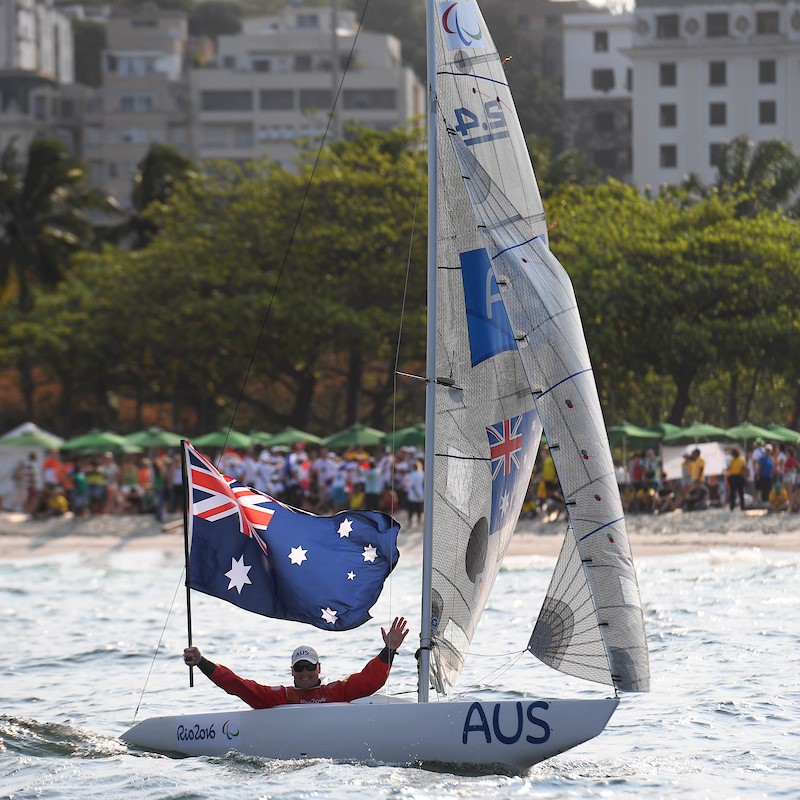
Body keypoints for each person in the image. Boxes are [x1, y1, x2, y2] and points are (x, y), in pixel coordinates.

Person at [182, 616, 409, 709]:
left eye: (309, 666)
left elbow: (369, 681)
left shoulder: (337, 691)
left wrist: (389, 650)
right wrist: (202, 662)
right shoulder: (281, 697)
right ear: (292, 672)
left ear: (319, 668)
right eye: (300, 667)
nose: (305, 672)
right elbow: (237, 685)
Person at [725, 447, 748, 511]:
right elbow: (744, 467)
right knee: (740, 492)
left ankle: (732, 506)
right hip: (739, 477)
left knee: (733, 493)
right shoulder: (741, 458)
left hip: (734, 477)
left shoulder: (733, 459)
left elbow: (729, 468)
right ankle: (742, 506)